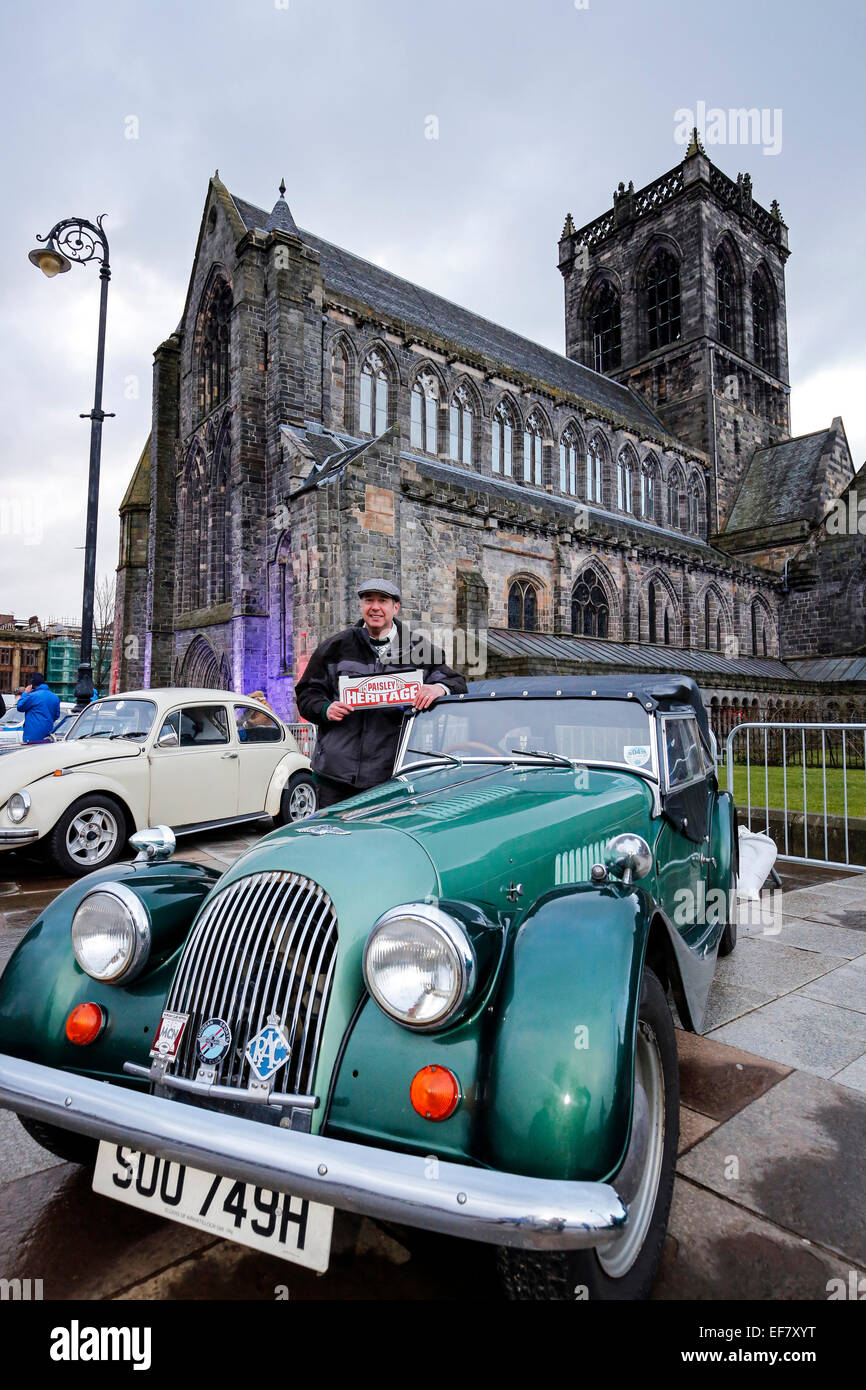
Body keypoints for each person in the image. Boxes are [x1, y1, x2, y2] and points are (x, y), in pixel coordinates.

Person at [295, 577, 467, 807]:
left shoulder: (420, 649)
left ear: (395, 607)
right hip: (335, 776)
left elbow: (456, 682)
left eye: (382, 601)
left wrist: (438, 688)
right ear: (361, 606)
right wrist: (325, 709)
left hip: (391, 775)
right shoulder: (334, 647)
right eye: (369, 600)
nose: (375, 607)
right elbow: (307, 693)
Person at [17, 673, 61, 744]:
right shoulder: (55, 697)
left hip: (33, 735)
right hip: (48, 733)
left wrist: (25, 693)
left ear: (32, 684)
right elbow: (56, 715)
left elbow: (20, 707)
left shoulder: (32, 696)